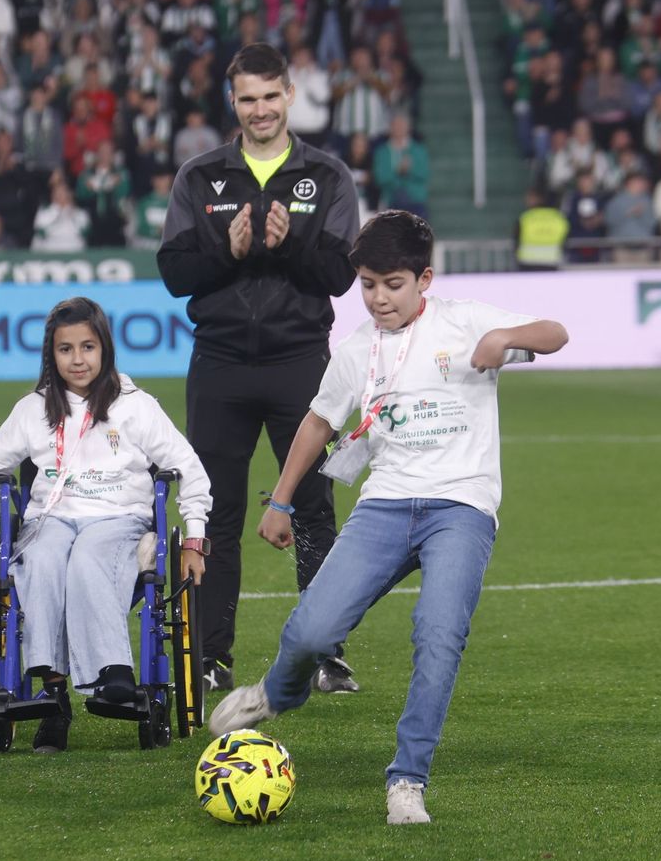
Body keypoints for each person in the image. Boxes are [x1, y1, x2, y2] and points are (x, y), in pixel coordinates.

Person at [208, 210, 568, 824]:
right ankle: (276, 693)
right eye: (367, 284)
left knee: (438, 635)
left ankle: (407, 780)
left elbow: (555, 332)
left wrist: (506, 340)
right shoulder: (355, 351)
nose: (378, 298)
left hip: (462, 507)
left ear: (424, 278)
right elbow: (320, 423)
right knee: (313, 633)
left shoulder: (466, 320)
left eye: (392, 284)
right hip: (385, 504)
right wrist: (281, 500)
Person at [156, 42, 361, 698]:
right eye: (248, 98)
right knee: (211, 511)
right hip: (219, 364)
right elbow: (175, 274)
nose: (261, 109)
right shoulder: (199, 176)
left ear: (289, 94)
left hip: (301, 362)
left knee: (312, 507)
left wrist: (289, 243)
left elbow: (337, 274)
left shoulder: (327, 177)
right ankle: (212, 656)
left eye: (271, 96)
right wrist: (229, 247)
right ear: (232, 100)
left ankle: (325, 653)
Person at [0, 297, 212, 753]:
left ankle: (114, 673)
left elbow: (189, 467)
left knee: (88, 557)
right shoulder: (33, 409)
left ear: (105, 350)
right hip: (52, 517)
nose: (77, 360)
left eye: (87, 347)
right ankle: (53, 690)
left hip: (119, 517)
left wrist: (194, 537)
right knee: (40, 558)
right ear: (51, 355)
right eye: (65, 350)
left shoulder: (135, 405)